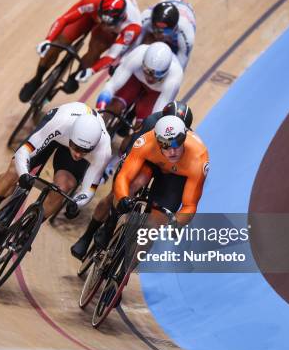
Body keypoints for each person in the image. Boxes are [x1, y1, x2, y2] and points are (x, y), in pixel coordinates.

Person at [71, 107, 205, 260]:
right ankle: (98, 230)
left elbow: (190, 204)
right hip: (148, 160)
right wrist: (121, 198)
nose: (172, 150)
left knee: (156, 223)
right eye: (166, 143)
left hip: (175, 174)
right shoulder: (148, 133)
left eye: (177, 142)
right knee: (128, 188)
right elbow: (125, 175)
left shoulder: (198, 157)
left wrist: (177, 223)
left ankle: (126, 268)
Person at [0, 102, 112, 240]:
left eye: (85, 151)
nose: (79, 155)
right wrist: (24, 174)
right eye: (76, 147)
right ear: (72, 136)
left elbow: (89, 190)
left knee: (63, 187)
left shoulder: (104, 150)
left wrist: (76, 203)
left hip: (68, 143)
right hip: (54, 133)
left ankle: (25, 232)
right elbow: (23, 153)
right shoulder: (61, 122)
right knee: (14, 171)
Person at [18, 0, 142, 103]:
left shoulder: (132, 26)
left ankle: (76, 75)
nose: (103, 25)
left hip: (111, 27)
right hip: (92, 12)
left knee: (97, 48)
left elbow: (111, 56)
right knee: (60, 41)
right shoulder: (93, 0)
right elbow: (64, 19)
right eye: (102, 21)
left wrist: (91, 71)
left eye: (108, 24)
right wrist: (48, 40)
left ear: (122, 18)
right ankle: (37, 78)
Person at [95, 42, 184, 127]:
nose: (150, 78)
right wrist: (101, 105)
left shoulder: (175, 77)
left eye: (156, 75)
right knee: (114, 106)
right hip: (136, 79)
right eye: (147, 71)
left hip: (155, 92)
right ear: (143, 62)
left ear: (166, 72)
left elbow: (157, 114)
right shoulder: (138, 54)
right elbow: (112, 85)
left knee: (142, 128)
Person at [133, 0, 196, 71]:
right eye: (156, 30)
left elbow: (180, 67)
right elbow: (133, 46)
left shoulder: (186, 35)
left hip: (179, 33)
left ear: (175, 28)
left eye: (165, 32)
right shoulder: (146, 18)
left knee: (169, 63)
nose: (159, 35)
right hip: (168, 10)